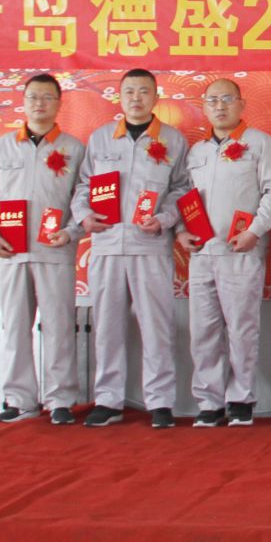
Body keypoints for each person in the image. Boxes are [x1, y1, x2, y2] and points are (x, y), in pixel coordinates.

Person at [72, 68, 192, 428]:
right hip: (107, 244)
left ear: (156, 97)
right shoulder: (101, 138)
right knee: (107, 326)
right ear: (120, 97)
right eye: (129, 92)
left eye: (143, 91)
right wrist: (84, 215)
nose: (136, 98)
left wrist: (165, 218)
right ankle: (108, 400)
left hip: (150, 245)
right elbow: (83, 186)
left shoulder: (173, 139)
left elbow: (182, 188)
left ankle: (160, 402)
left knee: (157, 326)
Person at [0, 73, 85, 426]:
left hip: (55, 251)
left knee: (59, 327)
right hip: (12, 251)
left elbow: (83, 196)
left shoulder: (73, 148)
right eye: (33, 97)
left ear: (59, 103)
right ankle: (20, 399)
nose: (39, 103)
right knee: (15, 327)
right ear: (23, 102)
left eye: (47, 97)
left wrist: (71, 231)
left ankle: (61, 399)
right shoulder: (3, 147)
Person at [177, 78, 271, 428]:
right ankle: (209, 401)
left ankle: (241, 399)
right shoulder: (197, 151)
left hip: (242, 251)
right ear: (204, 106)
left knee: (242, 328)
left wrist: (255, 231)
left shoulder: (260, 143)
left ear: (241, 104)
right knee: (203, 329)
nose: (219, 106)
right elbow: (184, 198)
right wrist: (181, 231)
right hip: (202, 253)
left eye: (226, 99)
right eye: (212, 100)